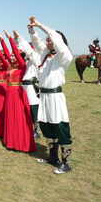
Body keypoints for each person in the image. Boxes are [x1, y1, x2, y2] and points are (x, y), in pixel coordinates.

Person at [29, 17, 74, 174]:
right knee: (47, 126)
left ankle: (65, 162)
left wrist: (40, 25)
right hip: (45, 97)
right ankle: (52, 157)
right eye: (47, 40)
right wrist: (32, 31)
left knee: (60, 127)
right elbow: (37, 44)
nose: (47, 42)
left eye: (49, 39)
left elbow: (55, 39)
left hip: (55, 97)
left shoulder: (64, 56)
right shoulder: (46, 56)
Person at [0, 31, 36, 153]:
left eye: (15, 55)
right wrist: (1, 41)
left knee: (19, 117)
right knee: (10, 116)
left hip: (18, 93)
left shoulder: (22, 65)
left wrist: (10, 39)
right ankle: (11, 141)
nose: (13, 57)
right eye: (12, 56)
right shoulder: (11, 66)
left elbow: (15, 53)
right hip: (9, 93)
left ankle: (19, 141)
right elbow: (3, 53)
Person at [15, 31, 42, 139]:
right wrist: (17, 41)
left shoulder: (35, 58)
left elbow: (28, 51)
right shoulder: (24, 60)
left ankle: (36, 129)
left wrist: (20, 41)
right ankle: (26, 127)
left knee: (33, 107)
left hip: (31, 85)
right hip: (23, 86)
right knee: (24, 108)